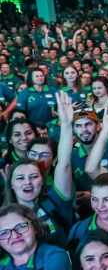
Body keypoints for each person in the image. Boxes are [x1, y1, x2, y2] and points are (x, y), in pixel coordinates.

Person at [2, 90, 75, 249]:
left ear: (42, 180)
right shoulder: (4, 216)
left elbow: (64, 163)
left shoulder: (56, 201)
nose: (27, 182)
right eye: (20, 178)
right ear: (11, 184)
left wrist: (67, 123)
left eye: (33, 176)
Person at [0, 204, 72, 270]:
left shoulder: (54, 254)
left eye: (21, 226)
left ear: (35, 227)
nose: (15, 236)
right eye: (4, 233)